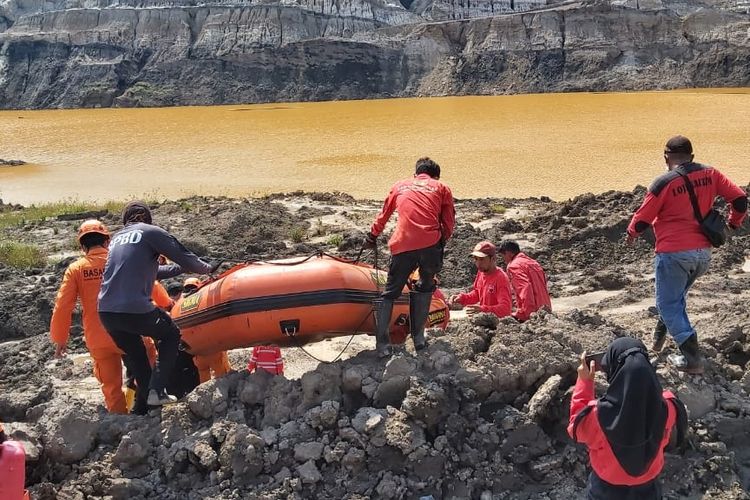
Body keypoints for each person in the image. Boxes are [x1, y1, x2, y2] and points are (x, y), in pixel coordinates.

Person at [626, 136, 747, 373]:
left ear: (666, 158)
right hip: (703, 254)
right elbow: (740, 200)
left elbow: (642, 220)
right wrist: (733, 224)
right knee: (674, 297)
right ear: (691, 156)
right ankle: (658, 343)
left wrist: (631, 234)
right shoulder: (711, 174)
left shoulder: (663, 182)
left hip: (674, 254)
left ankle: (692, 360)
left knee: (668, 303)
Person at [98, 201, 217, 412]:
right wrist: (206, 267)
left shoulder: (117, 239)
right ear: (148, 218)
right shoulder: (151, 232)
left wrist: (179, 269)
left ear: (126, 220)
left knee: (137, 357)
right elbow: (186, 257)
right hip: (134, 308)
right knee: (170, 334)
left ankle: (146, 408)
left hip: (107, 313)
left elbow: (152, 271)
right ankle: (158, 391)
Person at [568, 337, 688, 499]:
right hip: (649, 489)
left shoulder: (598, 414)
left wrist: (585, 383)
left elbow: (576, 427)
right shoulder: (669, 407)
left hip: (606, 490)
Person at [363, 157, 455, 356]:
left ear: (416, 174)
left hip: (403, 244)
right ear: (436, 176)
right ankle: (419, 339)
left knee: (390, 293)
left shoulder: (400, 186)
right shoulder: (441, 187)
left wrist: (372, 236)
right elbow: (448, 222)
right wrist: (440, 243)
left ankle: (382, 346)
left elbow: (384, 215)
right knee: (426, 285)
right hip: (430, 244)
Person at [181, 277, 233, 383]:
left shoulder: (181, 306)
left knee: (203, 377)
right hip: (211, 346)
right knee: (223, 375)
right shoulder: (203, 300)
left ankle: (205, 396)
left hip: (196, 350)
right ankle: (224, 396)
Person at [448, 241, 512, 318]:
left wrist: (483, 310)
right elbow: (477, 294)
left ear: (493, 259)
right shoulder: (481, 272)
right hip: (485, 321)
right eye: (476, 259)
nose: (478, 263)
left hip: (498, 325)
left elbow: (505, 309)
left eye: (482, 259)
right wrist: (462, 298)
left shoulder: (500, 278)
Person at [497, 240, 552, 321]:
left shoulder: (513, 266)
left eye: (503, 256)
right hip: (546, 312)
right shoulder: (534, 263)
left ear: (509, 253)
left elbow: (525, 289)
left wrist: (525, 314)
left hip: (533, 315)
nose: (504, 260)